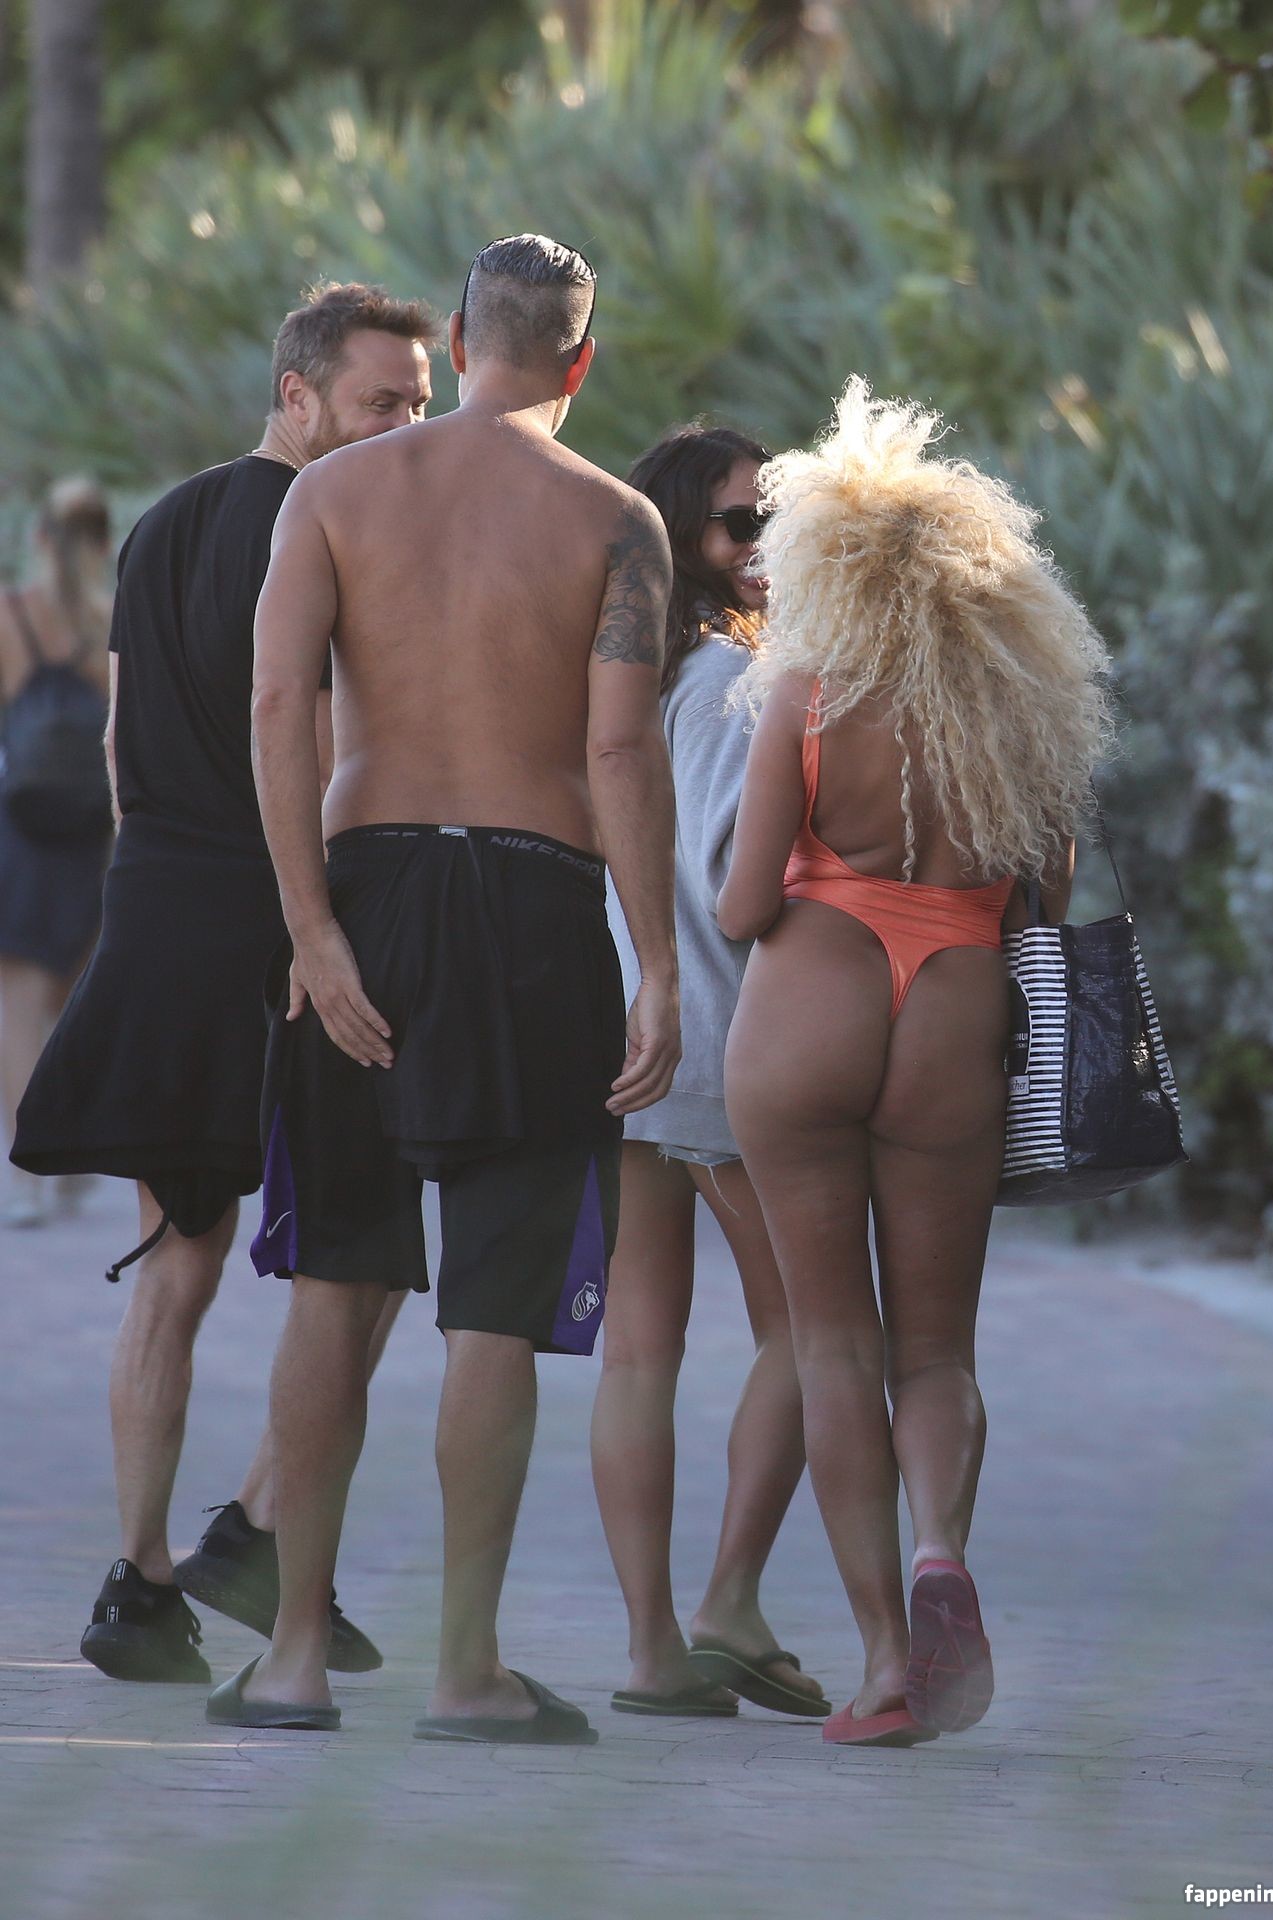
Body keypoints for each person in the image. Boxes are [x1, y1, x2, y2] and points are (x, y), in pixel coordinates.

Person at [207, 233, 680, 1744]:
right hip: (534, 915)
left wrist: (311, 929)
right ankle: (467, 1671)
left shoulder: (333, 493)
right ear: (581, 360)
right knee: (494, 1310)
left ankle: (292, 1658)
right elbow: (620, 751)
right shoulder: (614, 520)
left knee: (336, 1281)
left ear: (464, 341)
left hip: (367, 891)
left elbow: (274, 703)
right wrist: (659, 964)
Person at [12, 282, 440, 1684]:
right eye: (380, 401)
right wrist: (322, 920)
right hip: (292, 918)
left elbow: (122, 746)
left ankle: (142, 1586)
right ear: (296, 394)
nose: (403, 426)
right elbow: (313, 740)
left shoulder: (161, 525)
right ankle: (251, 1534)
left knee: (175, 1269)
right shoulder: (341, 528)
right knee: (360, 1259)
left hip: (160, 912)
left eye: (418, 403)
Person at [718, 379, 1113, 1747]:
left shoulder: (807, 692)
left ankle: (885, 1664)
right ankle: (941, 1549)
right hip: (953, 1007)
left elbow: (739, 907)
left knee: (832, 1340)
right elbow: (1044, 902)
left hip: (806, 1007)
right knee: (935, 1351)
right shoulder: (1021, 717)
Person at [593, 425, 828, 1721]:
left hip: (625, 1039)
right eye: (741, 524)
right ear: (680, 534)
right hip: (718, 1039)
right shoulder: (734, 682)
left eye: (776, 523)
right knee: (811, 1328)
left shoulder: (625, 673)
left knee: (641, 1352)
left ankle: (649, 1650)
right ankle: (728, 1603)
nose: (762, 548)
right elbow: (736, 881)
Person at [0, 479, 113, 1228]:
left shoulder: (9, 616)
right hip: (89, 832)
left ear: (40, 537)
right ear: (102, 544)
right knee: (75, 998)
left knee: (16, 1003)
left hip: (19, 830)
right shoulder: (107, 623)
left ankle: (28, 1176)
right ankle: (73, 1154)